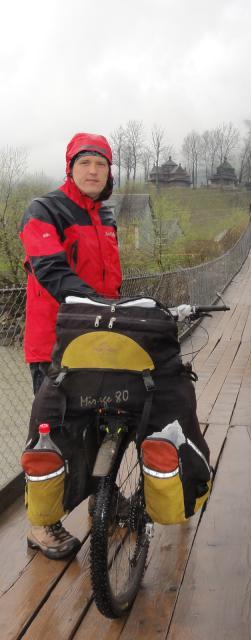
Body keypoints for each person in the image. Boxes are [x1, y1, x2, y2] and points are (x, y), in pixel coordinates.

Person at [20, 132, 122, 558]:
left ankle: (103, 502)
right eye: (85, 163)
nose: (94, 171)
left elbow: (112, 278)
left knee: (105, 423)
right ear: (70, 168)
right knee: (55, 437)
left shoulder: (106, 216)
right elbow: (52, 272)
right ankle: (42, 527)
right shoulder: (43, 210)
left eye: (101, 164)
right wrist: (100, 306)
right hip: (55, 347)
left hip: (103, 342)